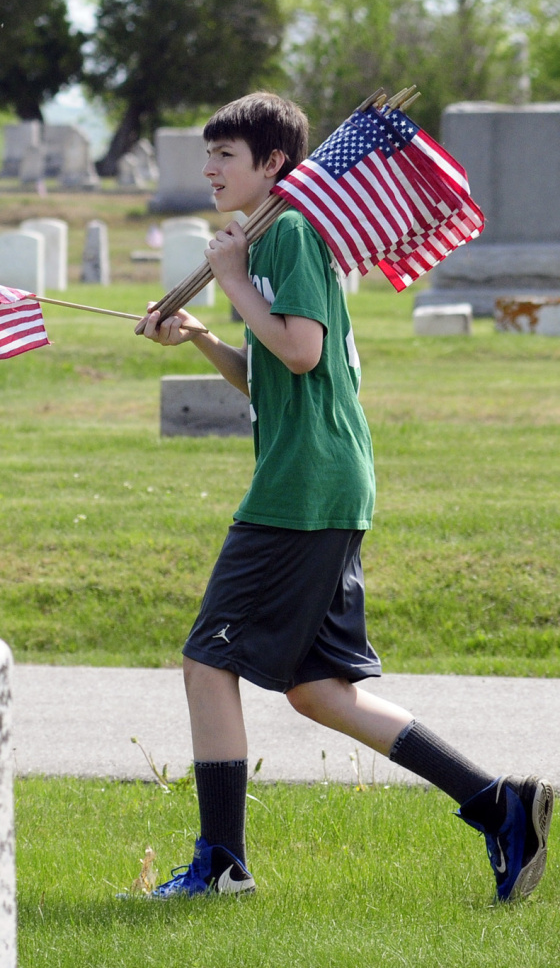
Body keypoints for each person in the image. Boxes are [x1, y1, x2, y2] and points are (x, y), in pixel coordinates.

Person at [135, 91, 553, 904]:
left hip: (303, 485)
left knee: (205, 660)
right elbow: (271, 369)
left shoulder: (285, 231)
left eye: (227, 156)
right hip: (325, 478)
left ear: (275, 167)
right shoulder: (273, 237)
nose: (211, 169)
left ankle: (221, 864)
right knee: (317, 690)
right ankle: (498, 803)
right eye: (208, 156)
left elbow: (299, 350)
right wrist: (208, 336)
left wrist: (229, 280)